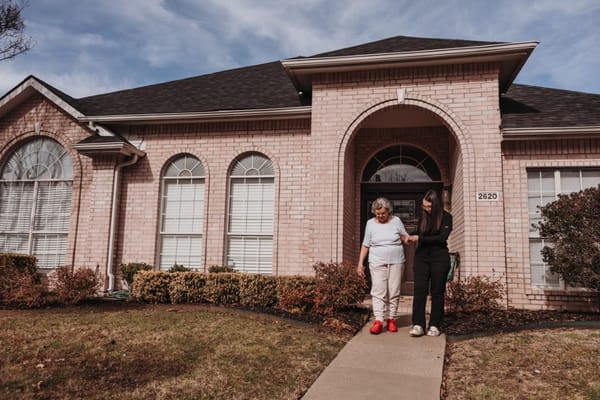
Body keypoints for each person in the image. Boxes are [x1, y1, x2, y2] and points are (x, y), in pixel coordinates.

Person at [357, 197, 409, 334]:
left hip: (396, 260)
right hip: (376, 260)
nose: (380, 216)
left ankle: (391, 319)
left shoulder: (396, 221)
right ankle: (379, 320)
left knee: (394, 290)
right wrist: (360, 264)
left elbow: (405, 237)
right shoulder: (370, 223)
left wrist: (409, 239)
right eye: (377, 213)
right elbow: (365, 244)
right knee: (378, 291)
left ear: (389, 212)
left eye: (383, 214)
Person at [407, 189, 453, 337]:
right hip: (422, 258)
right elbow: (419, 232)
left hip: (439, 258)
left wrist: (419, 239)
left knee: (437, 292)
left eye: (429, 207)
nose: (426, 209)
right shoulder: (423, 217)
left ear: (436, 205)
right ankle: (418, 324)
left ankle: (434, 324)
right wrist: (409, 235)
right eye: (424, 206)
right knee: (419, 290)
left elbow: (441, 238)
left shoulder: (446, 218)